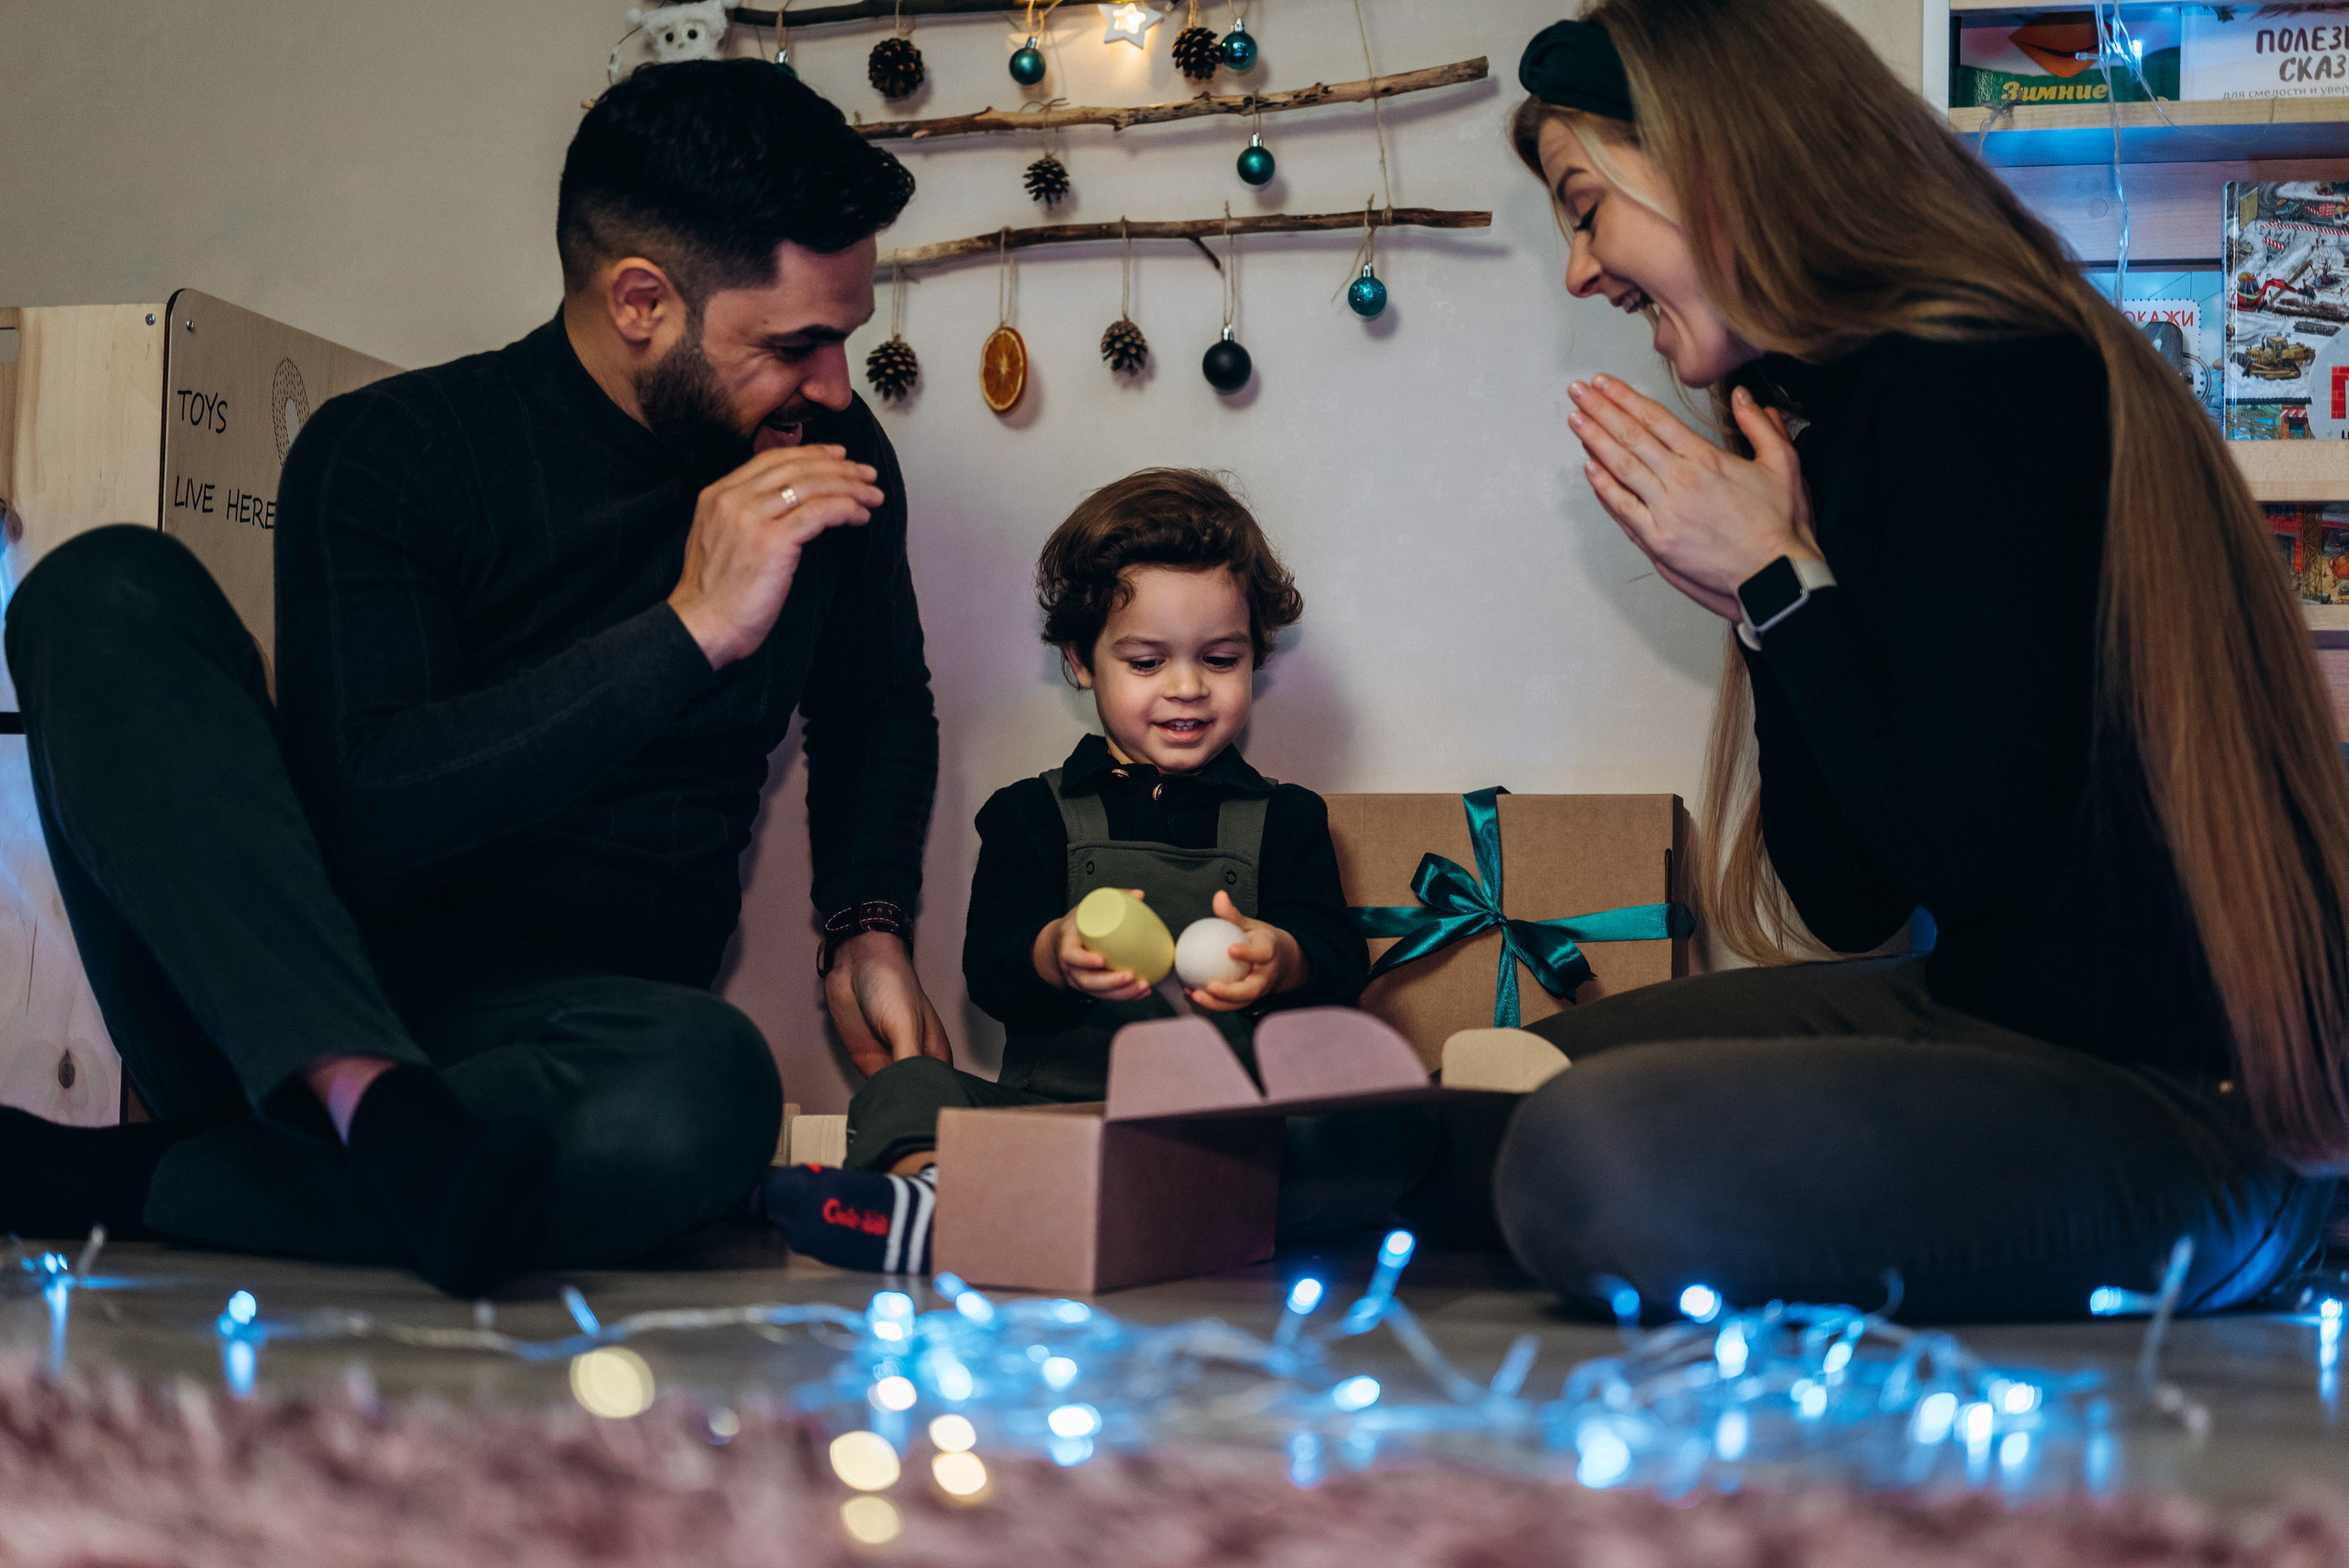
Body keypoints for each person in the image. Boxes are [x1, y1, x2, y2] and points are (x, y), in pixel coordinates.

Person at [0, 60, 948, 1297]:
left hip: (573, 1048)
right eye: (797, 343)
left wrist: (864, 920)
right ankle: (362, 1103)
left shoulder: (827, 451)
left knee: (711, 1084)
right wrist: (688, 628)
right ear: (644, 302)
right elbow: (377, 822)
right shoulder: (396, 452)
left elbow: (875, 700)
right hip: (282, 1007)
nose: (833, 384)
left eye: (846, 340)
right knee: (100, 586)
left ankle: (129, 1181)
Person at [1488, 1, 2349, 1322]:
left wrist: (1778, 583)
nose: (1581, 271)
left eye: (1585, 205)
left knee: (1588, 1154)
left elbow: (1963, 843)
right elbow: (1849, 894)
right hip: (1988, 1018)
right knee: (1500, 1088)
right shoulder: (1844, 409)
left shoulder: (1984, 375)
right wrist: (1767, 599)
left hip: (2197, 1112)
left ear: (1713, 162)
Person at [763, 469, 1419, 1273]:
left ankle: (1104, 1213)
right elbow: (993, 973)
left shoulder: (1287, 818)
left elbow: (1340, 964)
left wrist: (1282, 956)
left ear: (1256, 656)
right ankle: (929, 1201)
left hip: (1226, 1133)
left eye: (1220, 658)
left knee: (1385, 1126)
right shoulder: (1028, 815)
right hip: (1058, 1120)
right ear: (1080, 661)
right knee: (909, 1086)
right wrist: (1053, 954)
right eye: (1147, 662)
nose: (1187, 688)